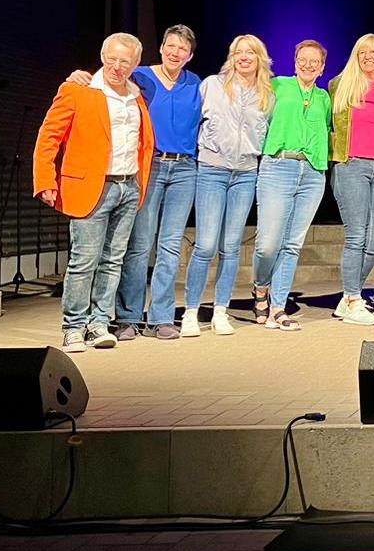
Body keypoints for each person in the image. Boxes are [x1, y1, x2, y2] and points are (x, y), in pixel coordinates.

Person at [65, 25, 201, 340]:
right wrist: (77, 76)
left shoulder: (195, 83)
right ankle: (128, 317)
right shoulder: (140, 76)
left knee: (170, 245)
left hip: (184, 169)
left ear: (190, 55)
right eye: (171, 45)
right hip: (149, 166)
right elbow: (106, 77)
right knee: (139, 245)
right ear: (162, 47)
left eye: (182, 49)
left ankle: (162, 317)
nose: (175, 52)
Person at [33, 33, 154, 353]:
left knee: (113, 260)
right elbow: (49, 136)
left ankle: (99, 323)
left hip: (128, 186)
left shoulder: (137, 95)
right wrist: (45, 179)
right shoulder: (78, 89)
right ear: (102, 57)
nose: (117, 66)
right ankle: (73, 327)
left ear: (135, 64)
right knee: (84, 260)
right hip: (92, 186)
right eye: (111, 59)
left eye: (124, 61)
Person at [182, 34, 275, 337]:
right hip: (212, 169)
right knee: (206, 245)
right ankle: (191, 312)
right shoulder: (212, 85)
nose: (244, 57)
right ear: (231, 57)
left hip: (245, 173)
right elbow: (189, 118)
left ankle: (220, 311)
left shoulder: (267, 95)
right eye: (238, 52)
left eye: (250, 52)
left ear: (260, 58)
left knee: (231, 247)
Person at [252, 40, 332, 332]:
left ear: (322, 68)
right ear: (295, 61)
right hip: (278, 166)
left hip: (312, 172)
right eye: (303, 59)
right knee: (267, 244)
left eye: (315, 61)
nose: (308, 65)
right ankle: (261, 287)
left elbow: (328, 128)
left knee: (292, 244)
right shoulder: (278, 86)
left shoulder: (324, 98)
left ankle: (278, 307)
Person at [328, 33, 374, 326]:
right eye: (362, 52)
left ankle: (349, 298)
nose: (368, 57)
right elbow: (325, 124)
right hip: (352, 166)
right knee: (357, 235)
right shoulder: (341, 84)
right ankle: (353, 298)